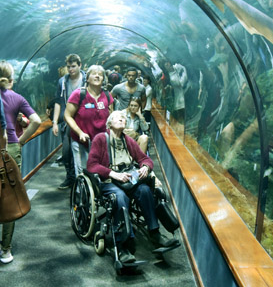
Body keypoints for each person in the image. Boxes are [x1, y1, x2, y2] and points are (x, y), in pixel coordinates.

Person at [87, 111, 179, 263]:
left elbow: (145, 159)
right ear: (110, 123)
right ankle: (123, 244)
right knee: (120, 197)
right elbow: (91, 165)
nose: (122, 118)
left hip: (128, 180)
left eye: (123, 117)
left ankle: (155, 233)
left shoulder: (128, 140)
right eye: (118, 117)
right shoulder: (100, 139)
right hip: (109, 182)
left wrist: (145, 167)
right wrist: (113, 174)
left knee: (145, 191)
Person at [0, 60, 41, 264]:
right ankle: (5, 249)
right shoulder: (17, 97)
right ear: (11, 78)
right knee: (10, 194)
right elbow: (35, 120)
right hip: (10, 149)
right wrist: (20, 141)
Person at [64, 64, 113, 176]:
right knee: (83, 173)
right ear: (87, 78)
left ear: (104, 79)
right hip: (82, 141)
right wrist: (80, 132)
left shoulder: (107, 95)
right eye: (94, 74)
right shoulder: (79, 94)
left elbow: (111, 117)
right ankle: (81, 193)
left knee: (102, 171)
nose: (97, 76)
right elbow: (67, 116)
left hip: (102, 141)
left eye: (100, 75)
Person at [52, 54, 86, 190]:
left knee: (84, 150)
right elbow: (59, 102)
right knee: (66, 152)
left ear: (79, 65)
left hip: (84, 121)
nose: (71, 69)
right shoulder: (62, 82)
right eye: (69, 66)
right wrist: (55, 122)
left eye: (73, 66)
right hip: (68, 121)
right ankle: (70, 177)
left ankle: (85, 178)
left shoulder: (86, 80)